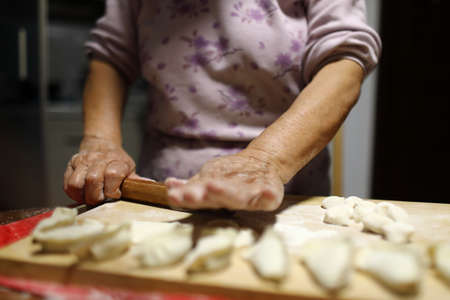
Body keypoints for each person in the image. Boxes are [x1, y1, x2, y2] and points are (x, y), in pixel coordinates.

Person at [64, 0, 381, 211]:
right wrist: (101, 142)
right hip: (165, 187)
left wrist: (265, 159)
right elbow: (112, 55)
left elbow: (344, 60)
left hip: (284, 187)